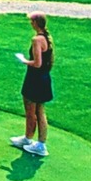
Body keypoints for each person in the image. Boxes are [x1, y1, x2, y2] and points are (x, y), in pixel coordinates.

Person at [12, 12, 54, 156]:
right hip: (43, 78)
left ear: (36, 23)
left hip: (34, 79)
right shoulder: (47, 38)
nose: (30, 23)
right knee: (40, 112)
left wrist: (23, 60)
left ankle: (32, 141)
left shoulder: (36, 40)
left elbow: (37, 63)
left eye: (31, 21)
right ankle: (36, 141)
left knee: (31, 112)